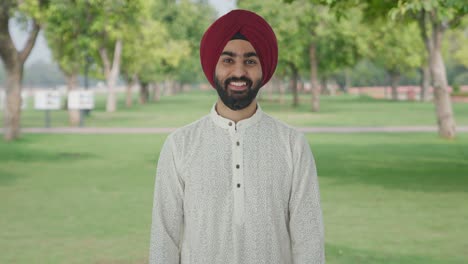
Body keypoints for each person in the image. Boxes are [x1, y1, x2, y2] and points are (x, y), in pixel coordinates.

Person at [149, 9, 324, 264]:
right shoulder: (180, 145)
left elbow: (309, 239)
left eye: (250, 61)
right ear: (213, 66)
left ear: (264, 68)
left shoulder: (292, 144)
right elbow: (164, 238)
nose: (239, 72)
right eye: (228, 60)